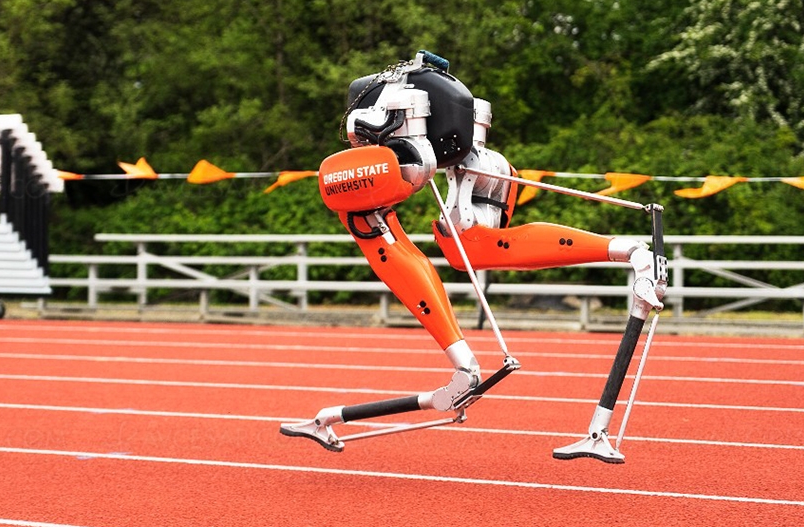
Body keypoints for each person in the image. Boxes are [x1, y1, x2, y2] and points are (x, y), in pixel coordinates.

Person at [281, 51, 667, 459]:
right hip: (481, 159)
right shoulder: (431, 108)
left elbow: (379, 153)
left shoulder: (372, 118)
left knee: (371, 227)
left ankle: (464, 366)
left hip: (420, 159)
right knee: (472, 248)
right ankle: (628, 249)